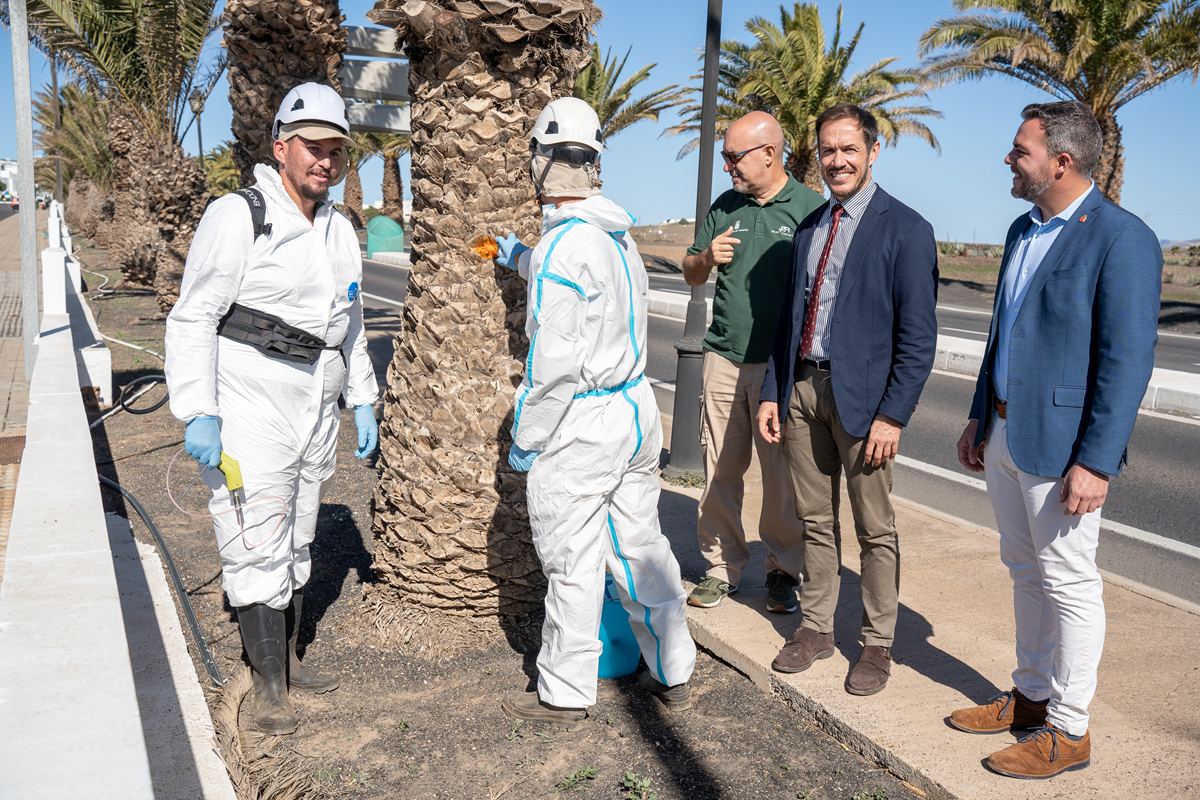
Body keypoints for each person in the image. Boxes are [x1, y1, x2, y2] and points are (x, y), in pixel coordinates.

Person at [950, 101, 1161, 779]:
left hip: (1065, 448)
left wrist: (1095, 461)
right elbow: (1004, 332)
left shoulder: (1121, 238)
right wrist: (982, 413)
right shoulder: (1021, 229)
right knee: (1024, 570)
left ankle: (1069, 731)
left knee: (1069, 583)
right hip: (1007, 430)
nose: (1009, 160)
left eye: (1020, 150)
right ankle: (1031, 697)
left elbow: (1126, 361)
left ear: (1060, 163)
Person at [165, 82, 379, 734]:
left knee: (300, 535)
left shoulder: (341, 229)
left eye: (336, 150)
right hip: (248, 399)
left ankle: (283, 660)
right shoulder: (240, 214)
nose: (325, 160)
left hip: (316, 403)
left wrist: (363, 398)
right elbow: (194, 315)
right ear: (282, 147)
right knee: (255, 534)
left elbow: (353, 324)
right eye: (313, 147)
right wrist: (198, 409)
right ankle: (268, 689)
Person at [494, 97, 696, 730]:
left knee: (572, 558)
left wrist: (527, 437)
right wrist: (522, 258)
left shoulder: (565, 249)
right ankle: (674, 669)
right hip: (635, 411)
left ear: (542, 164)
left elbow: (551, 366)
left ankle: (564, 692)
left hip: (582, 423)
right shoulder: (616, 236)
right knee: (639, 544)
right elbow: (592, 286)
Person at [757, 103, 939, 696]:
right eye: (828, 150)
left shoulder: (906, 228)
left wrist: (893, 414)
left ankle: (877, 644)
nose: (837, 161)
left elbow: (918, 337)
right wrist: (773, 393)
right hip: (805, 390)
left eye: (848, 150)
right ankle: (815, 629)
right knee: (814, 520)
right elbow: (788, 322)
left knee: (874, 529)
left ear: (872, 152)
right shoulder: (811, 226)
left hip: (866, 406)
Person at [682, 111, 824, 613]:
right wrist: (706, 258)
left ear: (770, 153)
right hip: (723, 357)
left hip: (778, 369)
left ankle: (783, 570)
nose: (728, 168)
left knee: (782, 477)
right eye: (724, 157)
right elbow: (691, 273)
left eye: (733, 157)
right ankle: (721, 568)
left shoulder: (810, 209)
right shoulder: (726, 206)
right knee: (719, 469)